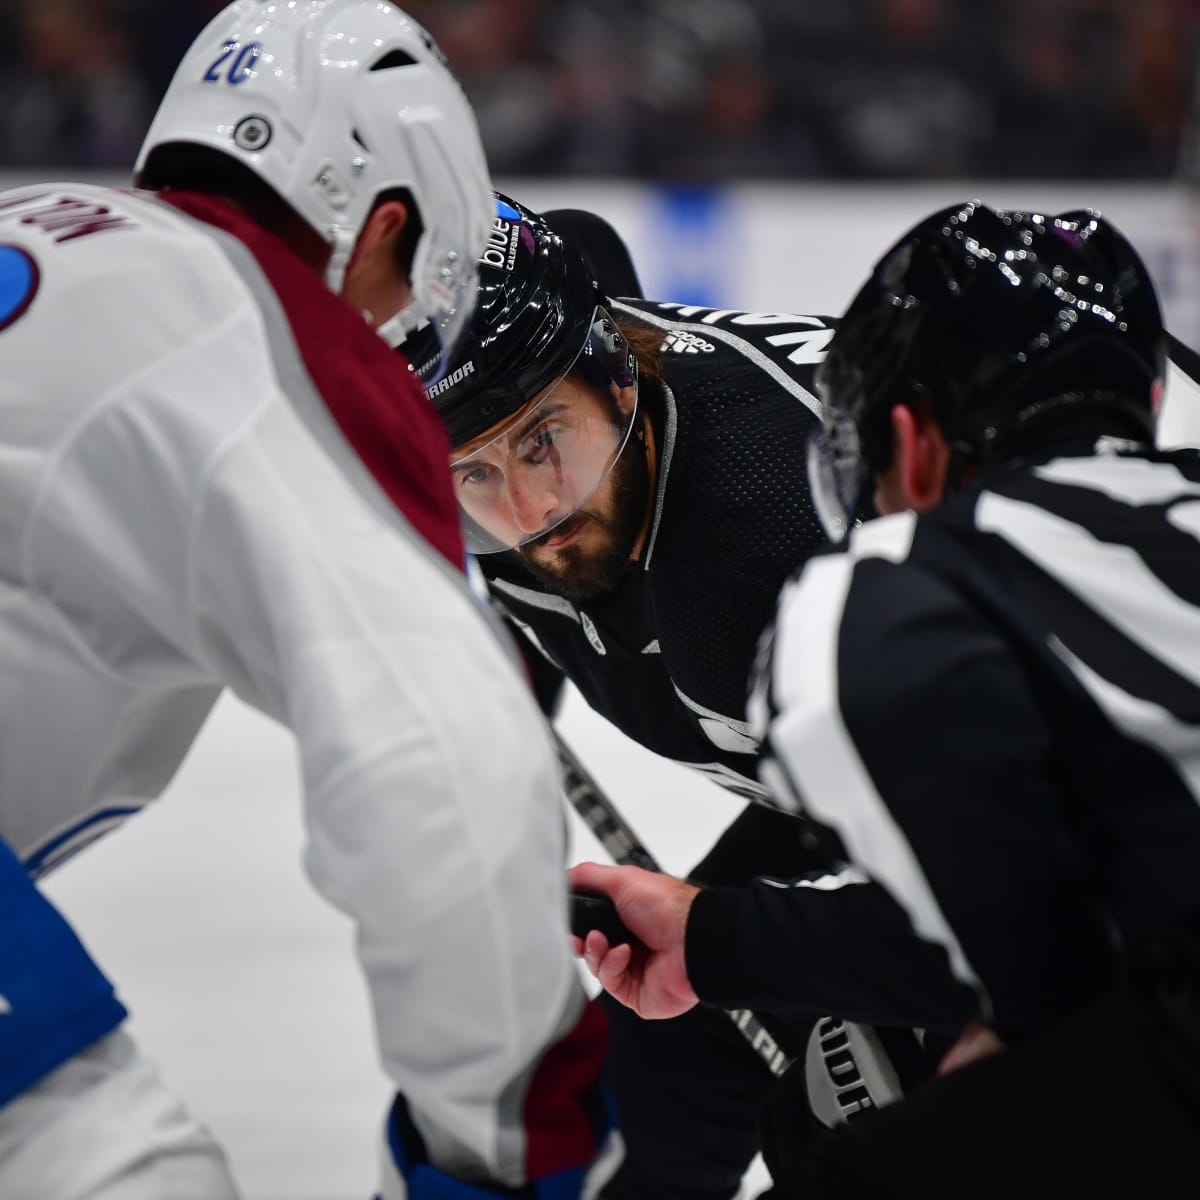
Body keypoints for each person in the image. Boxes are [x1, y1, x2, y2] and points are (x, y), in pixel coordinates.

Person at [0, 4, 618, 1199]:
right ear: (383, 223)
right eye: (411, 292)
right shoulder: (281, 337)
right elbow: (438, 772)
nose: (391, 338)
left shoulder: (46, 232)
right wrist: (512, 1144)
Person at [574, 201, 1200, 1195]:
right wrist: (710, 936)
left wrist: (723, 942)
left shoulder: (898, 590)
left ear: (907, 445)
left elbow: (1009, 969)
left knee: (844, 1099)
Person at [419, 191, 956, 1200]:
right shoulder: (543, 406)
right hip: (874, 780)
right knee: (646, 1082)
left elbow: (1022, 908)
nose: (529, 515)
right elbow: (583, 241)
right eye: (475, 476)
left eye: (542, 442)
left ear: (619, 380)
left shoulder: (785, 559)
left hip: (1104, 823)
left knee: (849, 1119)